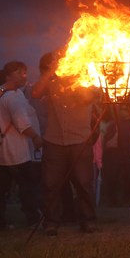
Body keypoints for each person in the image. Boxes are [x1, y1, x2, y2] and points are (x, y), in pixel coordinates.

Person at [31, 54, 101, 235]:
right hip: (54, 140)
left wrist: (75, 78)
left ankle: (88, 220)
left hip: (79, 139)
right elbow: (35, 93)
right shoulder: (52, 81)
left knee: (83, 183)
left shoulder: (85, 80)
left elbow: (88, 98)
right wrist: (51, 71)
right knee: (51, 183)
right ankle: (51, 222)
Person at [0, 61, 43, 229]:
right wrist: (35, 137)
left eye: (24, 72)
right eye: (19, 73)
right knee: (27, 187)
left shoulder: (7, 92)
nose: (24, 76)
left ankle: (1, 223)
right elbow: (22, 123)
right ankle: (32, 219)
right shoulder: (11, 96)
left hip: (5, 152)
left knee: (2, 190)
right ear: (9, 75)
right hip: (16, 152)